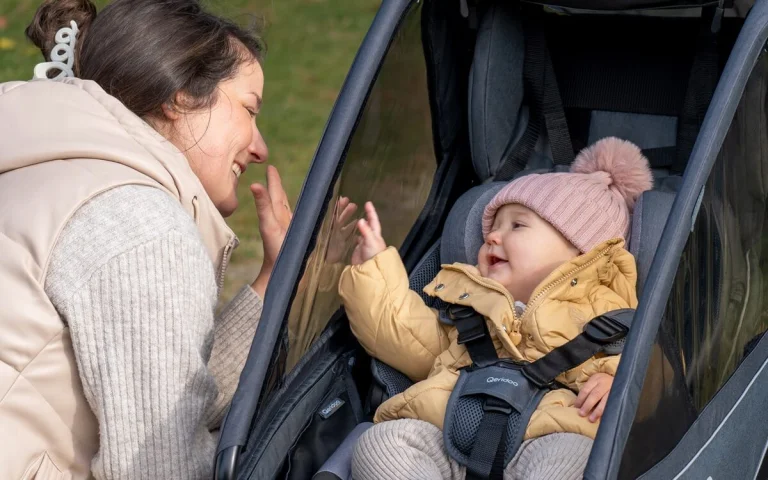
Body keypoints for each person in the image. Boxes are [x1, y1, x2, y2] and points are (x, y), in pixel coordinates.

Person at [0, 0, 292, 478]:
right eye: (248, 110)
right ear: (179, 96)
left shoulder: (44, 171)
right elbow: (158, 466)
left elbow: (155, 392)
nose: (260, 148)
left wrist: (271, 282)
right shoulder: (138, 223)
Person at [339, 137, 653, 479]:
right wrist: (372, 269)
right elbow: (402, 331)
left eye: (517, 225)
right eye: (493, 227)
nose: (492, 237)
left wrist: (618, 381)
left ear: (580, 251)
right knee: (382, 442)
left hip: (545, 439)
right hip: (444, 435)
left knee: (575, 459)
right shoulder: (464, 306)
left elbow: (655, 373)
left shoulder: (604, 313)